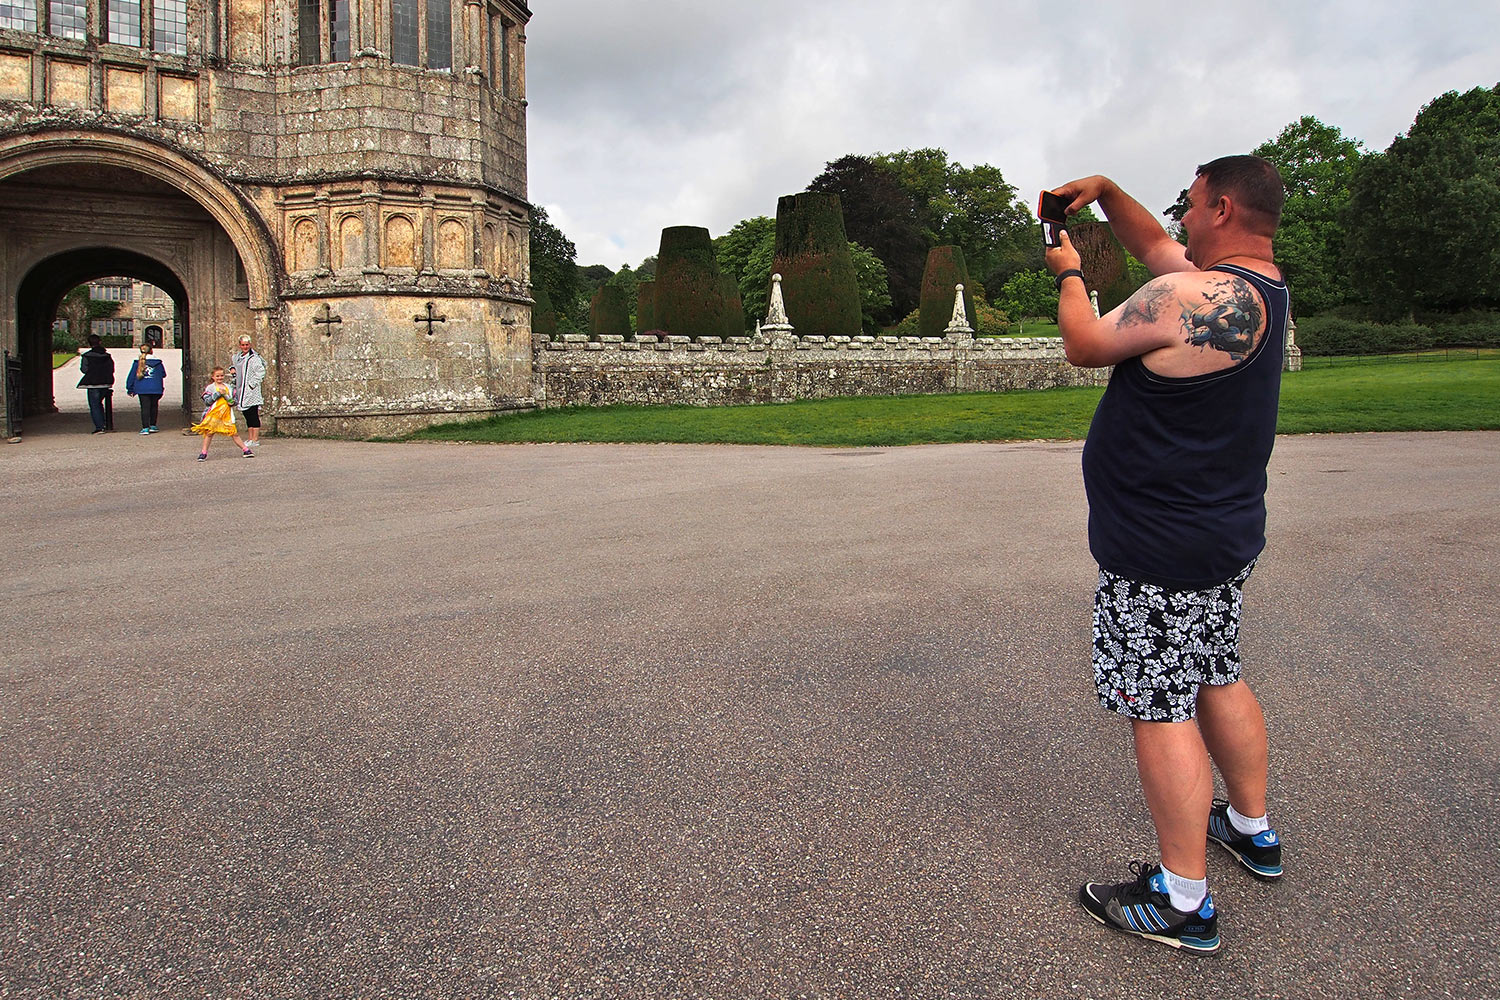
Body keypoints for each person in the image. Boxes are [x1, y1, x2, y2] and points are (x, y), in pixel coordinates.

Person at [1044, 156, 1289, 954]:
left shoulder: (1191, 297)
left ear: (1220, 206)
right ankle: (1249, 829)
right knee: (1217, 669)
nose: (1180, 217)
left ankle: (1184, 901)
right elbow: (1158, 253)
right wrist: (1110, 193)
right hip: (1220, 535)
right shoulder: (1257, 293)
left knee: (1161, 706)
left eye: (1189, 204)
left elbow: (1084, 344)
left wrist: (1071, 270)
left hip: (1157, 548)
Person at [191, 367, 253, 461]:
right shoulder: (210, 388)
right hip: (214, 414)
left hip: (226, 414)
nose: (220, 378)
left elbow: (234, 401)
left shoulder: (229, 387)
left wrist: (229, 399)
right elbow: (207, 401)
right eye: (217, 376)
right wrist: (217, 394)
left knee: (234, 433)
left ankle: (246, 450)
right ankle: (203, 453)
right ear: (213, 377)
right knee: (209, 434)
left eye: (221, 376)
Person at [228, 335, 266, 449]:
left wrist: (252, 384)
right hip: (241, 388)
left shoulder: (254, 358)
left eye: (247, 345)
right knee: (247, 414)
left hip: (251, 390)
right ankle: (250, 438)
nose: (245, 347)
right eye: (243, 345)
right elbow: (236, 367)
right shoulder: (238, 357)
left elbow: (260, 371)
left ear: (250, 345)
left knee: (253, 413)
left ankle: (255, 439)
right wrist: (232, 369)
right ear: (240, 345)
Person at [125, 342, 167, 434]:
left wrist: (130, 388)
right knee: (154, 406)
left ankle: (145, 427)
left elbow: (132, 376)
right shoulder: (158, 362)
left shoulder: (138, 362)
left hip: (142, 388)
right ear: (151, 351)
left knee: (145, 407)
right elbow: (163, 374)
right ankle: (153, 425)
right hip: (156, 388)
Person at [77, 334, 115, 434]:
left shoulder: (87, 356)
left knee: (94, 405)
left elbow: (84, 369)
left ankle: (99, 426)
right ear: (100, 342)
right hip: (105, 382)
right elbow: (111, 369)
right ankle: (105, 423)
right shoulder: (107, 356)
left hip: (92, 382)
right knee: (99, 403)